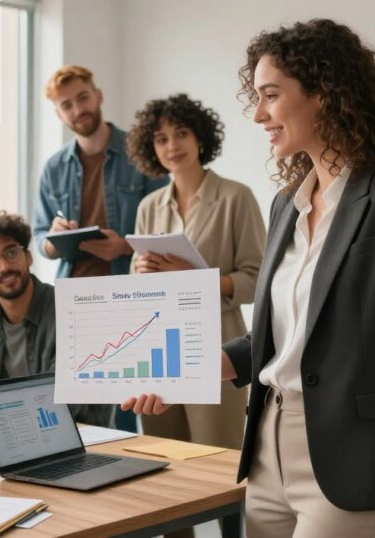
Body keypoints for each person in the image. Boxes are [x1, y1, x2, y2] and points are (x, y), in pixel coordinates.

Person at [124, 19, 375, 538]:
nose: (258, 113)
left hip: (357, 456)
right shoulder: (285, 205)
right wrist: (178, 372)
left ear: (324, 94)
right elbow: (278, 342)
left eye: (271, 95)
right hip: (266, 449)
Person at [126, 94, 265, 538]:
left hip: (217, 349)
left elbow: (259, 278)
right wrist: (141, 269)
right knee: (163, 463)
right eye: (161, 138)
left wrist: (199, 276)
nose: (172, 145)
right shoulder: (150, 205)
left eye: (181, 133)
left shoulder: (235, 197)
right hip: (158, 346)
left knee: (221, 463)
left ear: (200, 137)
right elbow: (138, 280)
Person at [33, 65, 167, 430]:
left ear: (98, 95)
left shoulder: (140, 153)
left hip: (128, 294)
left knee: (124, 406)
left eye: (83, 98)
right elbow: (39, 236)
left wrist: (123, 246)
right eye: (67, 105)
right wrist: (54, 240)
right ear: (59, 114)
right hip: (76, 299)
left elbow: (166, 223)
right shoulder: (54, 168)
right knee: (76, 408)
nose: (78, 110)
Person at [0, 212, 111, 426]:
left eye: (11, 252)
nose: (4, 267)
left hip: (82, 435)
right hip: (14, 437)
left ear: (28, 257)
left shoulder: (69, 310)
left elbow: (62, 395)